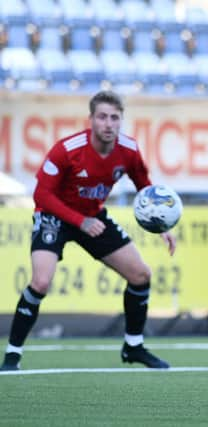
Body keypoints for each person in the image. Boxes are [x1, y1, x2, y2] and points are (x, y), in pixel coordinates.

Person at [0, 91, 177, 371]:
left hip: (92, 217)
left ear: (121, 121)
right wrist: (78, 221)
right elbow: (42, 195)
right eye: (103, 117)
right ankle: (12, 354)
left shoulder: (128, 150)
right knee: (41, 282)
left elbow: (144, 185)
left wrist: (161, 225)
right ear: (91, 119)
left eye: (114, 118)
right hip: (54, 216)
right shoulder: (67, 150)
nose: (108, 124)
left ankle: (133, 346)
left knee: (141, 274)